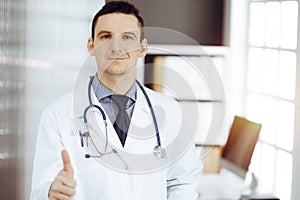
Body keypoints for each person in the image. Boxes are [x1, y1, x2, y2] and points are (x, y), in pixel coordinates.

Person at [30, 1, 199, 199]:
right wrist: (51, 192)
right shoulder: (57, 116)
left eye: (127, 37)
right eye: (106, 36)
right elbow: (39, 190)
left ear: (142, 48)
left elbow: (183, 183)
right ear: (91, 46)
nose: (116, 47)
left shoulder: (171, 112)